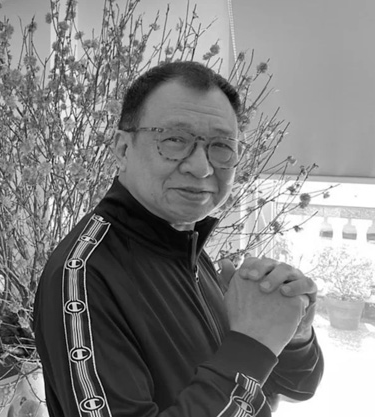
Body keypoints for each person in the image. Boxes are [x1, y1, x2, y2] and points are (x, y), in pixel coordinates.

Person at [33, 61, 324, 417]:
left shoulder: (187, 247)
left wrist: (293, 332)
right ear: (123, 149)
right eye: (174, 140)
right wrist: (252, 342)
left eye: (221, 145)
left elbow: (295, 386)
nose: (201, 168)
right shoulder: (83, 275)